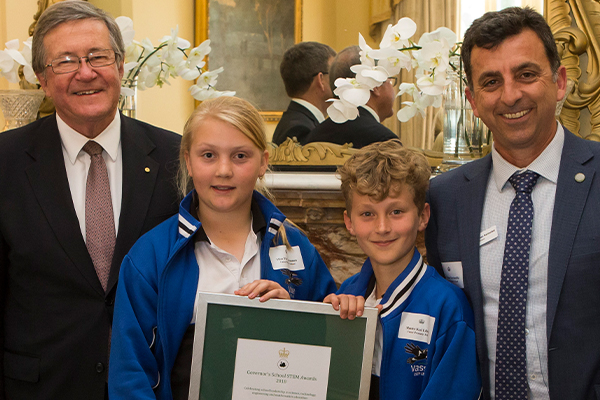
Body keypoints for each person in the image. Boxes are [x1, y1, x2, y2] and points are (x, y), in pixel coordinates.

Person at [0, 2, 182, 399]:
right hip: (38, 389)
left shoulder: (176, 158)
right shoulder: (5, 163)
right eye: (65, 62)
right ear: (42, 80)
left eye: (98, 56)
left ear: (120, 65)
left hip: (149, 384)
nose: (86, 72)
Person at [108, 96, 337, 399]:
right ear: (188, 161)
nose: (224, 170)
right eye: (208, 155)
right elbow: (130, 374)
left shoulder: (297, 250)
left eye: (240, 156)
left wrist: (293, 317)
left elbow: (328, 354)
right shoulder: (150, 258)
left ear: (263, 162)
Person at [425, 7, 600, 400]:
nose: (510, 95)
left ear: (558, 82)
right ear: (471, 99)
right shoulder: (446, 197)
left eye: (526, 74)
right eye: (491, 81)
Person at [326, 139, 481, 400]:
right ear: (349, 222)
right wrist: (325, 324)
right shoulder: (346, 295)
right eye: (367, 214)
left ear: (422, 216)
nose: (383, 227)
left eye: (396, 211)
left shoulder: (447, 307)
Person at [303, 46, 398, 148]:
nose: (393, 88)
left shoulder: (312, 138)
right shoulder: (384, 141)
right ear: (375, 86)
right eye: (390, 81)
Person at [272, 41, 336, 145]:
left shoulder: (296, 120)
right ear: (321, 80)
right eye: (335, 73)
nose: (340, 80)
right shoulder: (299, 129)